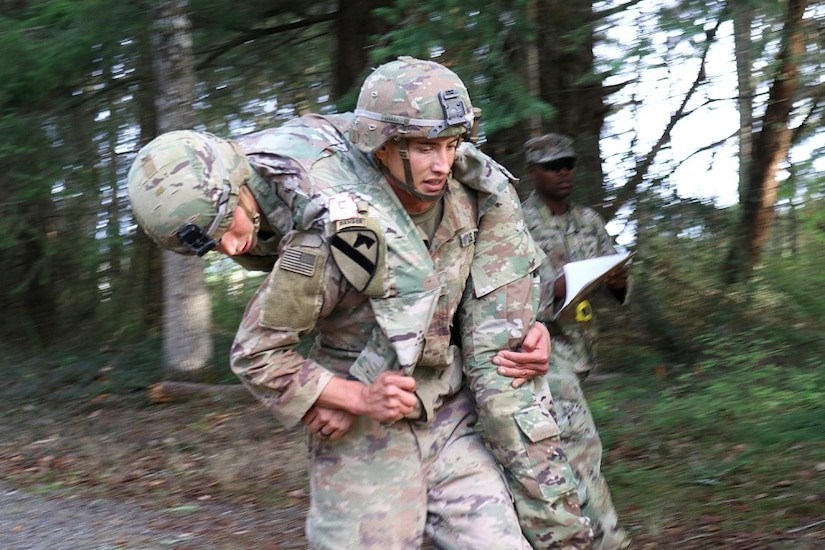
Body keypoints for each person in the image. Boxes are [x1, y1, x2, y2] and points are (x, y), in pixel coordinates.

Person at [127, 58, 592, 548]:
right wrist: (345, 395)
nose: (229, 249)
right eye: (209, 244)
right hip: (371, 429)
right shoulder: (288, 210)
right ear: (385, 147)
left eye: (449, 146)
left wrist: (528, 323)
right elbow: (263, 348)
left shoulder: (445, 194)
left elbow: (480, 274)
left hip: (446, 406)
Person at [521, 133, 632, 550]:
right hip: (541, 354)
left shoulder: (589, 221)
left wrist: (619, 281)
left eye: (568, 163)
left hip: (581, 350)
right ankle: (608, 538)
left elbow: (613, 279)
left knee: (550, 451)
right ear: (533, 172)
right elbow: (501, 295)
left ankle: (547, 533)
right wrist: (554, 290)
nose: (563, 171)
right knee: (581, 447)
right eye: (553, 165)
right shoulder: (516, 224)